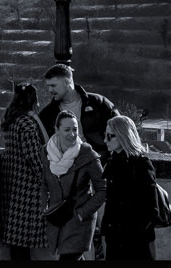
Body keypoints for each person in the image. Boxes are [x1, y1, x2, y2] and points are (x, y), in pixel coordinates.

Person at [41, 110, 106, 260]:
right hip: (57, 220)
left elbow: (103, 189)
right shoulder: (46, 153)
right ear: (56, 130)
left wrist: (82, 213)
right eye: (67, 130)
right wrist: (43, 208)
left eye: (75, 129)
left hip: (79, 223)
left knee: (69, 258)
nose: (72, 134)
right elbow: (44, 183)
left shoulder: (87, 154)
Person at [0, 83, 50, 260]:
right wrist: (49, 179)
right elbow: (34, 158)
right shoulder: (27, 123)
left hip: (11, 184)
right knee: (23, 239)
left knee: (16, 240)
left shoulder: (12, 121)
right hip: (27, 189)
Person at [101, 115, 159, 260]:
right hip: (115, 241)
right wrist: (107, 233)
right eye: (105, 135)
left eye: (110, 136)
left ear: (123, 136)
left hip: (137, 244)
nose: (105, 140)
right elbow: (111, 204)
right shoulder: (111, 163)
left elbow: (152, 210)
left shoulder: (141, 164)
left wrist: (134, 233)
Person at [39, 64, 119, 157]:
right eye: (48, 86)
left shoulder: (98, 103)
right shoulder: (48, 113)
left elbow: (121, 131)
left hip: (100, 161)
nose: (50, 90)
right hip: (66, 167)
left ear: (66, 82)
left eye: (53, 85)